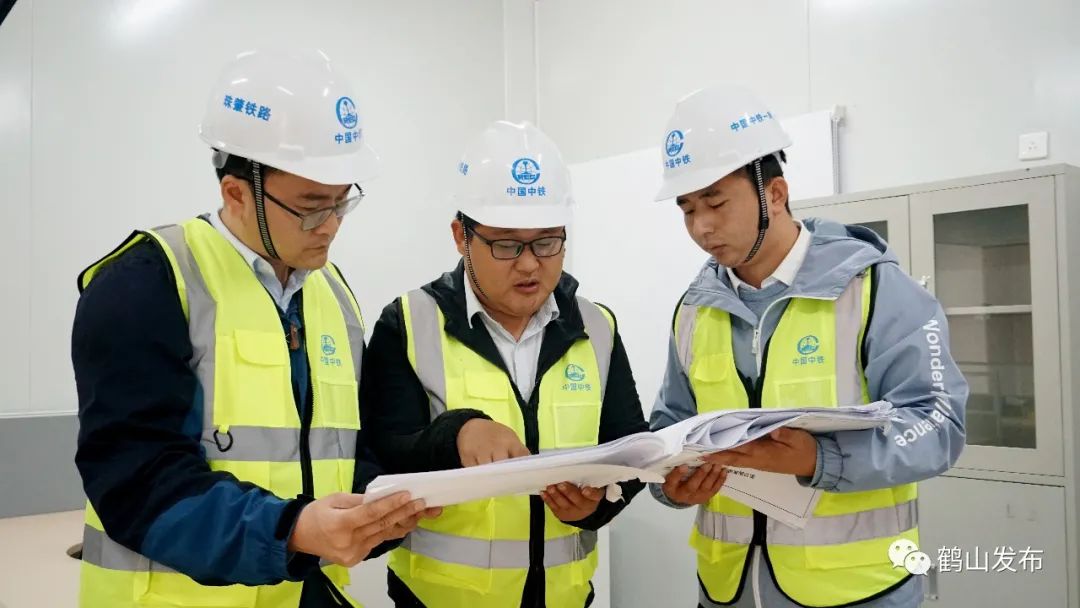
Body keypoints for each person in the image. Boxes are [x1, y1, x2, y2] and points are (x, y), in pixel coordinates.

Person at [73, 48, 438, 608]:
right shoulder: (146, 283)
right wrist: (292, 530)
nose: (331, 227)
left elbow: (343, 449)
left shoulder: (333, 296)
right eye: (312, 207)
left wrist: (378, 503)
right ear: (236, 193)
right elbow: (136, 476)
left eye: (343, 203)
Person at [649, 85, 968, 608]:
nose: (701, 227)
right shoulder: (694, 309)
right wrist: (670, 482)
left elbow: (939, 422)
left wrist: (821, 458)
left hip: (857, 591)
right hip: (727, 588)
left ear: (774, 194)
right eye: (687, 209)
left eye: (716, 202)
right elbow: (671, 424)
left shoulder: (873, 289)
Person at [360, 121, 650, 607]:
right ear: (461, 236)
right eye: (507, 244)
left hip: (565, 597)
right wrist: (455, 435)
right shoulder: (409, 323)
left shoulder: (597, 326)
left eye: (547, 242)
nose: (530, 264)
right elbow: (380, 455)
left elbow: (631, 449)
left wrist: (596, 506)